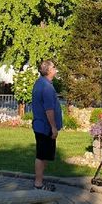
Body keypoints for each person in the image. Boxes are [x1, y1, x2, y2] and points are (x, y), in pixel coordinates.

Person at [31, 59, 63, 191]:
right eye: (54, 67)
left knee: (44, 155)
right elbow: (49, 110)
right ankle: (38, 184)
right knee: (41, 155)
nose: (55, 70)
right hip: (45, 127)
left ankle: (40, 181)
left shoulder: (39, 83)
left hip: (40, 125)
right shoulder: (47, 87)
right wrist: (54, 127)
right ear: (49, 70)